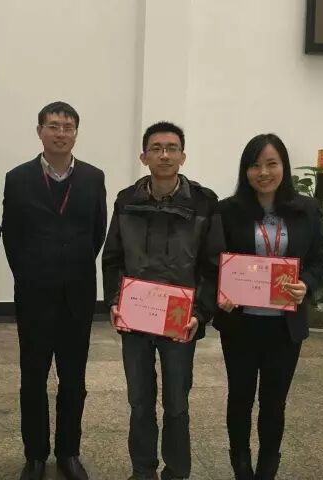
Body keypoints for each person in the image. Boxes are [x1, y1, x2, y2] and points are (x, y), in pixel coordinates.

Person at [102, 121, 222, 480]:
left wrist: (200, 312)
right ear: (144, 157)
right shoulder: (126, 200)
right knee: (139, 402)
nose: (164, 155)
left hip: (180, 319)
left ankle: (176, 471)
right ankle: (143, 471)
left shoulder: (204, 202)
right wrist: (114, 301)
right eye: (156, 148)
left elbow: (212, 264)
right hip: (135, 317)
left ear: (183, 156)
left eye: (172, 148)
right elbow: (113, 258)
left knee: (176, 404)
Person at [2, 101, 107, 480]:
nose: (60, 133)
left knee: (73, 379)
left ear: (75, 133)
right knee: (32, 378)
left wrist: (70, 267)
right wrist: (33, 274)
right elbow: (11, 236)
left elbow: (97, 233)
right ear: (40, 131)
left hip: (77, 295)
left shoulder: (93, 177)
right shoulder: (18, 178)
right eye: (53, 126)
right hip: (33, 295)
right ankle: (35, 455)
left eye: (67, 127)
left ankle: (68, 453)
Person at [215, 134, 323, 480]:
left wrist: (306, 284)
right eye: (255, 165)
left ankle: (267, 466)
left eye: (271, 164)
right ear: (245, 170)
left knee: (274, 401)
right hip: (241, 323)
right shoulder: (228, 211)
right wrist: (221, 292)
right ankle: (241, 464)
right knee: (240, 397)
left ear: (284, 167)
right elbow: (214, 261)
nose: (263, 172)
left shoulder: (306, 210)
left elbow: (319, 261)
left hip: (284, 326)